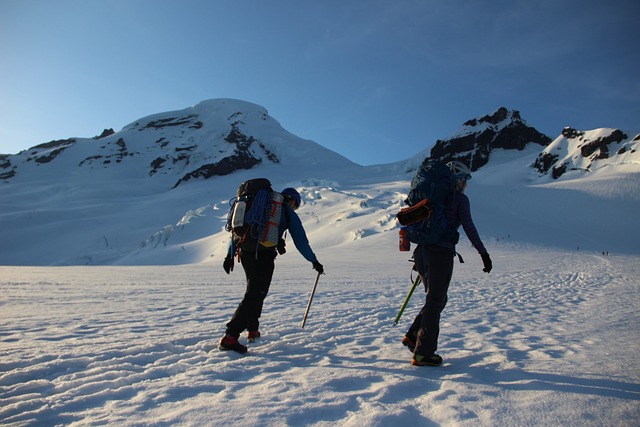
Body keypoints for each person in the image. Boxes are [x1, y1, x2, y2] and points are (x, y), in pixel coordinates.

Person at [403, 161, 492, 366]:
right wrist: (483, 253)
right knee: (436, 301)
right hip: (440, 253)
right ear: (458, 180)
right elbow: (469, 227)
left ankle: (413, 336)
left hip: (422, 252)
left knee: (436, 300)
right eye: (465, 180)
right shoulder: (459, 200)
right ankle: (423, 352)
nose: (465, 185)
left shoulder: (431, 199)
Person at [219, 187, 324, 354]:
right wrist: (314, 261)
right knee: (256, 293)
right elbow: (300, 240)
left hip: (245, 253)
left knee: (253, 291)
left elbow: (237, 232)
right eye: (295, 205)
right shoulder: (285, 210)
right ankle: (230, 336)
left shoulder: (258, 207)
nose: (294, 208)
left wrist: (229, 255)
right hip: (263, 255)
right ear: (292, 200)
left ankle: (252, 330)